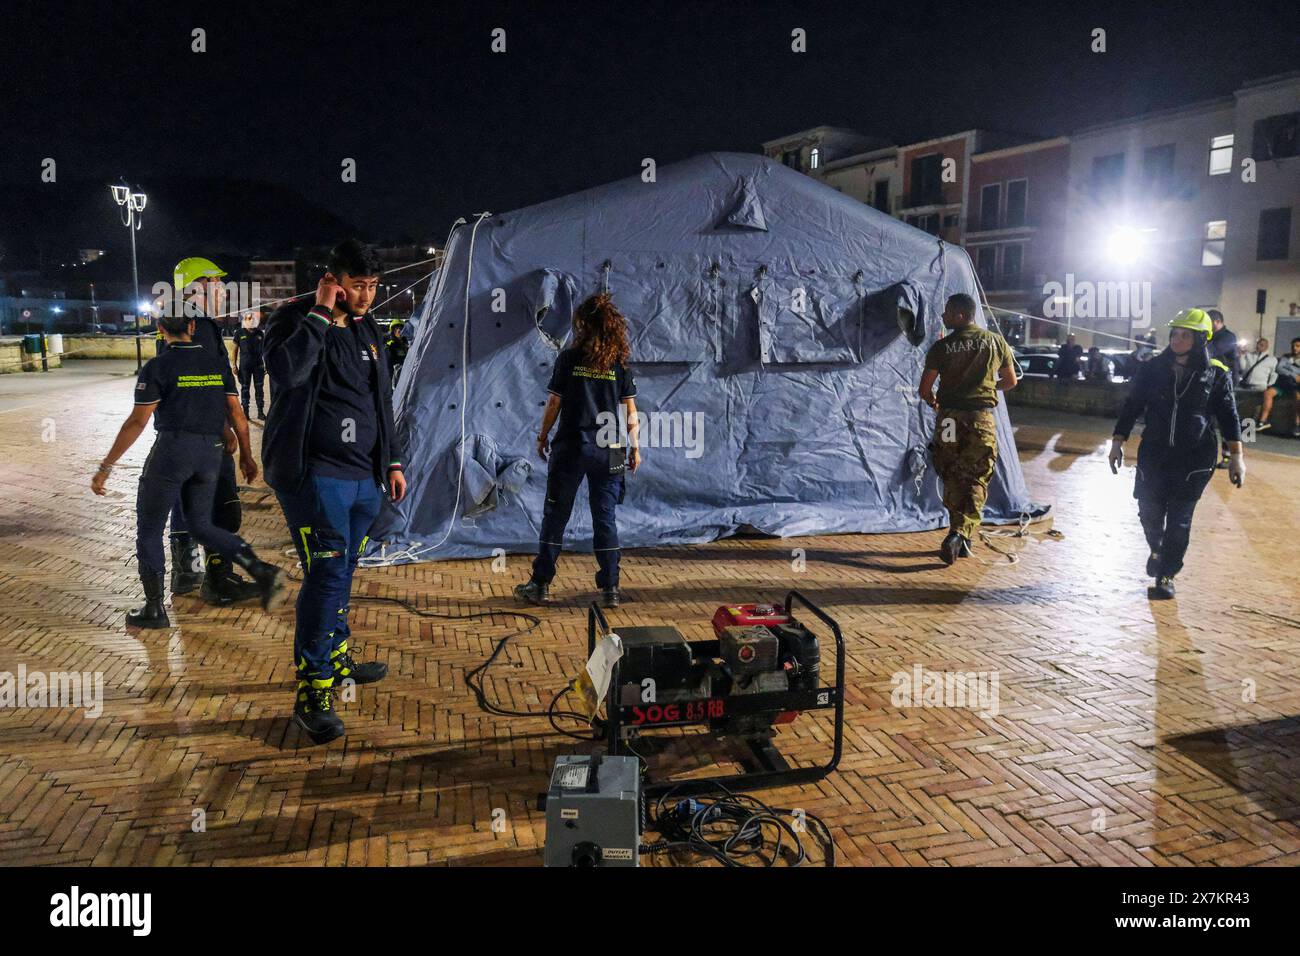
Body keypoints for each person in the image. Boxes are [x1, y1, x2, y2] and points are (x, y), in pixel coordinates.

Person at [262, 239, 407, 745]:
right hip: (313, 474)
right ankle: (312, 691)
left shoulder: (368, 328)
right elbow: (287, 372)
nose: (366, 296)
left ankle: (337, 658)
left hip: (364, 476)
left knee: (343, 569)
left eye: (372, 286)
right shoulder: (294, 318)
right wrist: (322, 312)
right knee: (325, 574)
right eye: (357, 286)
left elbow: (380, 397)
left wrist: (391, 459)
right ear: (332, 280)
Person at [91, 312, 285, 628]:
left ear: (160, 329)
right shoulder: (216, 364)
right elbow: (237, 416)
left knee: (150, 528)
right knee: (202, 526)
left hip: (172, 451)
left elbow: (137, 421)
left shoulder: (158, 367)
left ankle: (154, 609)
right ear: (193, 327)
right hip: (210, 454)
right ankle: (261, 569)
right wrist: (247, 457)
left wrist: (106, 466)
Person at [514, 292, 641, 608]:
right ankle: (611, 588)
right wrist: (634, 448)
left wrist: (542, 437)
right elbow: (631, 414)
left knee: (556, 516)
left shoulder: (569, 360)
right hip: (610, 450)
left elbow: (555, 402)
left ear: (583, 324)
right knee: (605, 517)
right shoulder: (620, 365)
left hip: (572, 447)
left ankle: (540, 584)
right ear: (612, 327)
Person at [1108, 308, 1244, 600]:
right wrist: (1117, 442)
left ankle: (1167, 574)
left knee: (1180, 520)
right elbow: (1132, 406)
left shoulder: (1217, 374)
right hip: (1154, 454)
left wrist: (1236, 457)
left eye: (1185, 335)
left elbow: (1230, 416)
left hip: (1195, 459)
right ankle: (1157, 549)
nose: (1177, 340)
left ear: (1201, 339)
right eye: (1174, 334)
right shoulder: (1152, 369)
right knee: (1148, 512)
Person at [160, 257, 263, 605]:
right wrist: (228, 430)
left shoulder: (178, 323)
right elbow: (207, 385)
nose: (222, 289)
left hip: (181, 434)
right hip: (207, 435)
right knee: (221, 505)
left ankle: (186, 572)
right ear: (196, 287)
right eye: (215, 282)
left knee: (186, 500)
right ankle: (218, 581)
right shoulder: (201, 327)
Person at [919, 293, 1018, 565]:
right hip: (979, 419)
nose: (943, 317)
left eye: (948, 312)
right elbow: (1010, 381)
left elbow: (924, 390)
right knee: (976, 477)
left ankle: (960, 536)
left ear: (961, 315)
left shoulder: (941, 347)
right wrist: (987, 387)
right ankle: (959, 534)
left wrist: (935, 402)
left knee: (952, 473)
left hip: (949, 419)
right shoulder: (996, 342)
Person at [1258, 337, 1300, 435]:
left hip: (1295, 387)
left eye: (1298, 346)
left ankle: (1297, 425)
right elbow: (1279, 368)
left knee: (1298, 399)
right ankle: (1263, 421)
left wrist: (1289, 369)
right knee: (1268, 393)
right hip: (1283, 385)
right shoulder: (1286, 357)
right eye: (1293, 346)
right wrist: (1294, 374)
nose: (1295, 348)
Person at [232, 310, 267, 419]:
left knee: (259, 389)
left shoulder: (260, 333)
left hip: (258, 366)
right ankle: (245, 412)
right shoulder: (239, 333)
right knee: (245, 389)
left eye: (253, 319)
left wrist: (267, 364)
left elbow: (265, 350)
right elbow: (234, 350)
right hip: (244, 367)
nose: (251, 321)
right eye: (248, 319)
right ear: (245, 320)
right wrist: (234, 365)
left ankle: (260, 412)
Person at [1207, 309, 1239, 386]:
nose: (1206, 324)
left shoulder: (1228, 337)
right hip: (1215, 377)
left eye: (1208, 322)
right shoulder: (1210, 336)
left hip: (1226, 379)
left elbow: (1212, 352)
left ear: (1217, 321)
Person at [384, 317, 409, 385]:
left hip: (408, 376)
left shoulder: (408, 345)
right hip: (396, 381)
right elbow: (387, 367)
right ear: (392, 331)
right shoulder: (389, 346)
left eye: (401, 328)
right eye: (396, 329)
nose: (399, 330)